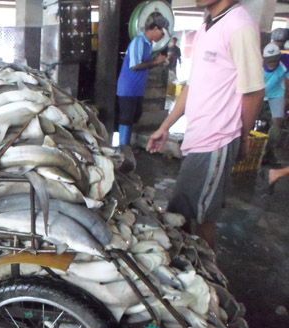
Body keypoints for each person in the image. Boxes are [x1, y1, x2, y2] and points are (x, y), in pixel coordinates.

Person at [147, 0, 264, 249]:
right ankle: (193, 277)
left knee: (200, 221)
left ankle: (210, 283)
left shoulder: (240, 26)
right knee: (180, 215)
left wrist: (242, 139)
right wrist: (165, 126)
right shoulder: (206, 27)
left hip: (217, 139)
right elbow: (192, 84)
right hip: (197, 138)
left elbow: (254, 92)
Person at [116, 15, 169, 147]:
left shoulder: (148, 44)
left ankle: (127, 146)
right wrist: (156, 62)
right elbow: (135, 66)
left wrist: (157, 62)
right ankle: (122, 149)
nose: (162, 37)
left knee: (135, 116)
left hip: (137, 89)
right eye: (162, 33)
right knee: (126, 119)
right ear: (155, 29)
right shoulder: (138, 42)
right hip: (128, 88)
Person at [261, 43, 287, 165]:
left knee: (278, 121)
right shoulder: (257, 66)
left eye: (274, 61)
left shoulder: (286, 61)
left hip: (276, 94)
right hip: (259, 93)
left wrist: (287, 99)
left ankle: (268, 153)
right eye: (269, 61)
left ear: (279, 58)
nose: (272, 64)